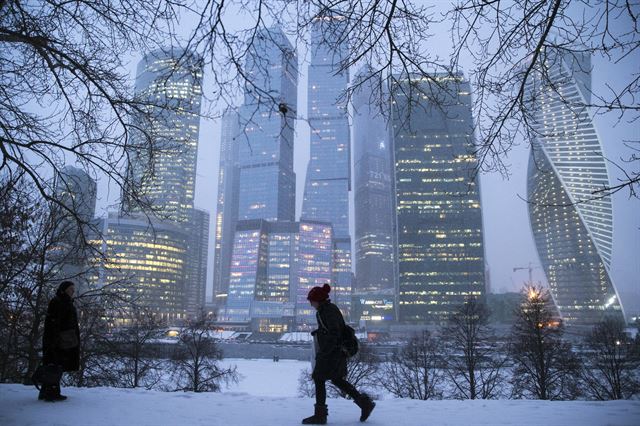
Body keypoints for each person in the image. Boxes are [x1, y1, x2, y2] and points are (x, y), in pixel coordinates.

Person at [302, 284, 375, 424]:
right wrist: (319, 333)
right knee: (336, 379)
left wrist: (324, 352)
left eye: (311, 300)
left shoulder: (327, 311)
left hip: (332, 352)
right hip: (336, 351)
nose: (310, 303)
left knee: (318, 378)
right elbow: (331, 329)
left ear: (318, 300)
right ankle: (364, 403)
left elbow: (335, 332)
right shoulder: (326, 310)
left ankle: (320, 415)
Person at [40, 281, 80, 402]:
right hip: (58, 340)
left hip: (65, 340)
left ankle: (48, 391)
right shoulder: (58, 302)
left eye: (73, 289)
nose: (73, 291)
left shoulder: (66, 302)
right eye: (71, 289)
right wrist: (54, 340)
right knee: (54, 365)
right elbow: (54, 323)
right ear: (64, 289)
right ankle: (51, 392)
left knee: (56, 365)